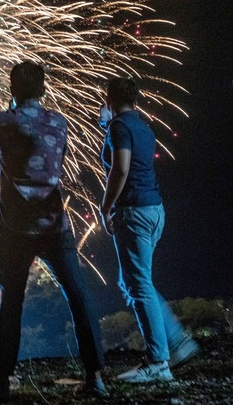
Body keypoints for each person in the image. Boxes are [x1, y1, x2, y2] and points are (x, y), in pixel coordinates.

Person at [0, 61, 107, 401]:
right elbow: (56, 160)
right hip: (55, 225)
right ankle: (96, 377)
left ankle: (3, 383)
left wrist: (7, 120)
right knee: (78, 296)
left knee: (12, 303)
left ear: (12, 90)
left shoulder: (0, 121)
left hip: (15, 229)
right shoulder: (59, 122)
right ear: (43, 90)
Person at [99, 77, 200, 383]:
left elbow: (121, 168)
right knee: (134, 281)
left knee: (138, 285)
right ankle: (176, 343)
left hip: (134, 211)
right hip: (155, 210)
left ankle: (159, 361)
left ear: (109, 98)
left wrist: (105, 207)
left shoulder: (120, 127)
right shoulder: (142, 127)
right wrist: (109, 126)